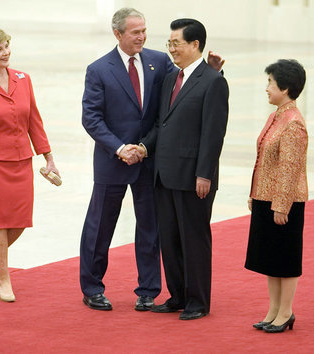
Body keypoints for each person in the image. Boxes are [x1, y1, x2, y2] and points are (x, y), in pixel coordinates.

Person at [80, 8, 224, 311]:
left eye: (144, 30)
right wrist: (120, 149)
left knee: (151, 228)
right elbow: (91, 119)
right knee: (100, 227)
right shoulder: (98, 69)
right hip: (112, 160)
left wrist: (213, 71)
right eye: (135, 32)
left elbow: (190, 87)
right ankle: (92, 287)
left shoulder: (159, 62)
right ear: (118, 34)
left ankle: (148, 289)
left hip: (150, 161)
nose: (142, 37)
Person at [136, 18, 229, 320]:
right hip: (164, 174)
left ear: (195, 45)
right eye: (170, 43)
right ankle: (177, 295)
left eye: (176, 43)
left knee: (194, 239)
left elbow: (213, 133)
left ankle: (198, 301)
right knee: (170, 237)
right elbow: (161, 124)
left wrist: (205, 173)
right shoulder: (170, 80)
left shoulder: (213, 81)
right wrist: (145, 147)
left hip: (193, 177)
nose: (172, 48)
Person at [0, 26, 59, 302]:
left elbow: (34, 122)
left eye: (6, 46)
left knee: (19, 221)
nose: (6, 53)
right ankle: (4, 279)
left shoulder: (23, 79)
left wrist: (48, 157)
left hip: (20, 161)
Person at [244, 59, 308, 333]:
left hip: (284, 202)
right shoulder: (276, 116)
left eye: (270, 82)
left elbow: (290, 169)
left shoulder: (293, 123)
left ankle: (286, 312)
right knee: (269, 257)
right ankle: (273, 309)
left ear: (286, 87)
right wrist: (255, 194)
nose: (267, 88)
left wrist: (281, 206)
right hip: (265, 198)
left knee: (285, 258)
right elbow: (264, 160)